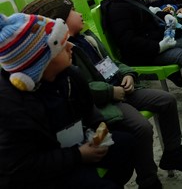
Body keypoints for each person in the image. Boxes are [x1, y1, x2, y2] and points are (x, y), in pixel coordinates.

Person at [22, 0, 182, 189]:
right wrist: (111, 92)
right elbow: (82, 88)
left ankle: (173, 152)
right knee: (141, 127)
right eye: (73, 10)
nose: (80, 13)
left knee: (166, 100)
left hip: (121, 87)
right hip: (106, 101)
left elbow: (112, 61)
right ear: (61, 20)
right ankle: (148, 180)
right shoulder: (63, 54)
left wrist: (128, 74)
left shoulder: (87, 37)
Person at [0, 12, 135, 188]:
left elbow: (89, 110)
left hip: (74, 147)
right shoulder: (10, 107)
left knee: (126, 144)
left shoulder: (70, 74)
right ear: (41, 62)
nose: (71, 45)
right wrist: (78, 155)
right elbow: (20, 166)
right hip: (43, 171)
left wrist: (98, 128)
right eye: (62, 46)